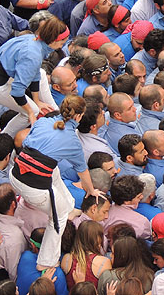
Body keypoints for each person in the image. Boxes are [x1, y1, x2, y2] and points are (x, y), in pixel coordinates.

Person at [10, 95, 99, 271]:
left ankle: (69, 206)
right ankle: (46, 260)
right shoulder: (72, 140)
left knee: (55, 169)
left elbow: (28, 143)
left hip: (15, 174)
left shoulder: (43, 122)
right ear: (78, 116)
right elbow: (83, 171)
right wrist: (91, 190)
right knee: (59, 216)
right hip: (33, 187)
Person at [0, 17, 66, 135]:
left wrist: (37, 100)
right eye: (62, 43)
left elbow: (35, 72)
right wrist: (30, 113)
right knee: (33, 111)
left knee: (41, 74)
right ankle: (4, 137)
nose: (61, 46)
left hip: (0, 69)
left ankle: (54, 112)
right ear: (54, 41)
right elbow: (17, 92)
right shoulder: (32, 54)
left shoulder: (34, 39)